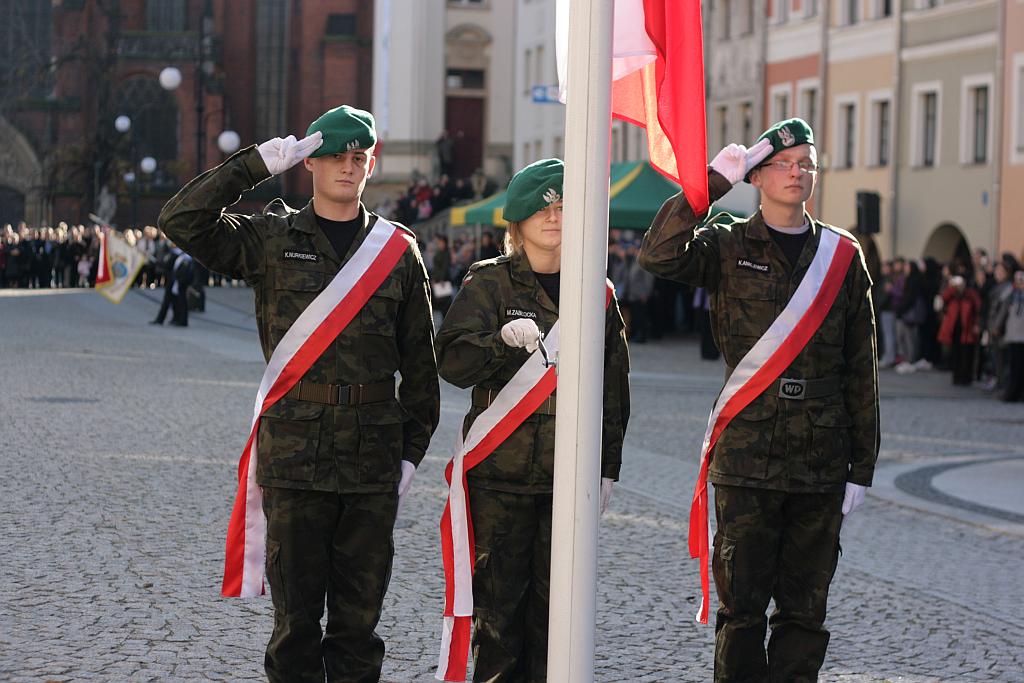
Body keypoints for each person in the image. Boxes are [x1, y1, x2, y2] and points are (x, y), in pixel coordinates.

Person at [158, 104, 440, 682]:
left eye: (358, 157)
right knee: (295, 625)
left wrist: (410, 455)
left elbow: (420, 371)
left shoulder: (397, 252)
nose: (347, 166)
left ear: (371, 165)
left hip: (372, 459)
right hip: (294, 456)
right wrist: (255, 165)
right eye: (334, 156)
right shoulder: (272, 238)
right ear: (309, 162)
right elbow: (181, 220)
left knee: (358, 627)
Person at [639, 118, 879, 683]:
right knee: (741, 610)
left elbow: (861, 368)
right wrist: (709, 187)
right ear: (757, 176)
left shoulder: (842, 256)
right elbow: (658, 255)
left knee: (804, 613)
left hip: (820, 459)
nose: (797, 174)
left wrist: (861, 466)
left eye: (806, 165)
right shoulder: (727, 245)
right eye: (783, 164)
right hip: (747, 455)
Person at [435, 158, 630, 682]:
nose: (553, 217)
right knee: (498, 623)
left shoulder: (596, 293)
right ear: (517, 222)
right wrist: (499, 343)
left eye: (563, 207)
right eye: (542, 209)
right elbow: (451, 361)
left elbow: (614, 388)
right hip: (500, 479)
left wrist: (607, 466)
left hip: (566, 482)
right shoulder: (489, 284)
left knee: (556, 623)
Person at [937, 275, 981, 386]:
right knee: (955, 353)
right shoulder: (951, 294)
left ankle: (966, 377)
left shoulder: (970, 294)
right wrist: (952, 288)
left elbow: (978, 308)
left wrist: (977, 324)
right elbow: (942, 299)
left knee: (967, 354)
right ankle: (957, 377)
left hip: (967, 327)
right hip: (954, 328)